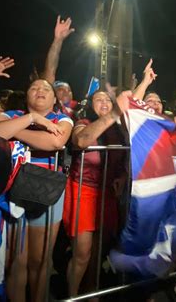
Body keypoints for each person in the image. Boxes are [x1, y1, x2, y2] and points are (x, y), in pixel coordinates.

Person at [0, 78, 73, 302]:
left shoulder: (62, 118)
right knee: (16, 260)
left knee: (40, 260)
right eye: (34, 87)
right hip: (11, 194)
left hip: (47, 192)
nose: (39, 90)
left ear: (54, 98)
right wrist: (30, 119)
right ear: (26, 96)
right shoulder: (13, 114)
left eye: (45, 88)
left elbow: (54, 142)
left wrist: (13, 132)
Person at [62, 89, 129, 297]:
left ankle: (91, 291)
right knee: (82, 252)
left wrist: (123, 176)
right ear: (91, 106)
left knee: (99, 251)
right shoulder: (83, 122)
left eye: (108, 99)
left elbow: (127, 156)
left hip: (106, 193)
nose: (104, 102)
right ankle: (72, 295)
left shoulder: (120, 130)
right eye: (98, 99)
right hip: (83, 190)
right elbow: (81, 141)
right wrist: (114, 112)